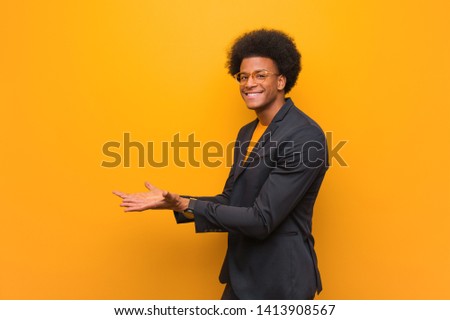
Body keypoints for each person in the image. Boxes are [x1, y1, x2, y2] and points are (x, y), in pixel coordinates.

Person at [113, 29, 328, 300]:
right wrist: (178, 202)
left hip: (282, 282)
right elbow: (232, 200)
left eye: (260, 75)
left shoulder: (304, 136)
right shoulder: (247, 133)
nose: (249, 83)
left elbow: (262, 220)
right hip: (242, 277)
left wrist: (187, 205)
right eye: (243, 76)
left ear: (282, 80)